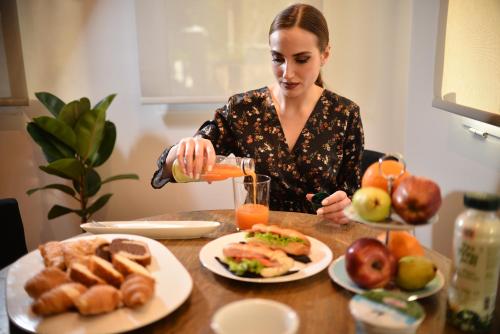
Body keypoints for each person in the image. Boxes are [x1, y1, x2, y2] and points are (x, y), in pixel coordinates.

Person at [151, 3, 364, 225]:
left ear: (325, 54)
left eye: (301, 59)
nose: (287, 73)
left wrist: (347, 208)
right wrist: (185, 150)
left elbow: (355, 199)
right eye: (278, 58)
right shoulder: (243, 109)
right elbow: (167, 171)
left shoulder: (345, 115)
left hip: (322, 241)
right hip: (256, 235)